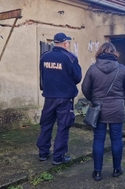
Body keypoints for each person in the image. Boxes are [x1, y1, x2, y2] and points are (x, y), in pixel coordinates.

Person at [81, 42, 125, 181]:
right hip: (117, 109)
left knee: (98, 139)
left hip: (98, 110)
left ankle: (97, 172)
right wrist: (120, 98)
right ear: (114, 53)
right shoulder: (122, 69)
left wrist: (94, 100)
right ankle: (117, 169)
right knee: (116, 139)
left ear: (100, 52)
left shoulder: (93, 69)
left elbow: (85, 89)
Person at [36, 32, 82, 165]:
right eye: (68, 43)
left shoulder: (44, 57)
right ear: (65, 43)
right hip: (65, 98)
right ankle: (58, 157)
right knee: (63, 126)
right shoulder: (70, 57)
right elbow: (77, 77)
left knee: (46, 124)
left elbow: (42, 75)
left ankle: (43, 153)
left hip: (49, 96)